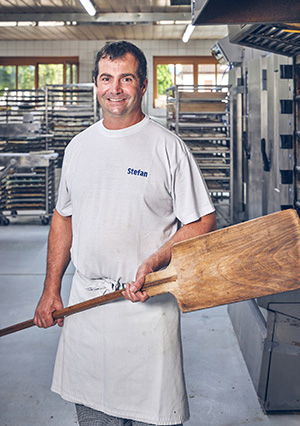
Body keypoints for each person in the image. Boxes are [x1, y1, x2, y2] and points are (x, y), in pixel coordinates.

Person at [34, 41, 216, 426]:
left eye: (126, 79)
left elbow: (202, 221)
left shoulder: (168, 147)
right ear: (96, 84)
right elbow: (62, 218)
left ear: (143, 85)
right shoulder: (78, 148)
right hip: (87, 305)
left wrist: (156, 259)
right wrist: (51, 289)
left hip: (146, 309)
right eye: (106, 78)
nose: (114, 89)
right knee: (94, 419)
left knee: (152, 416)